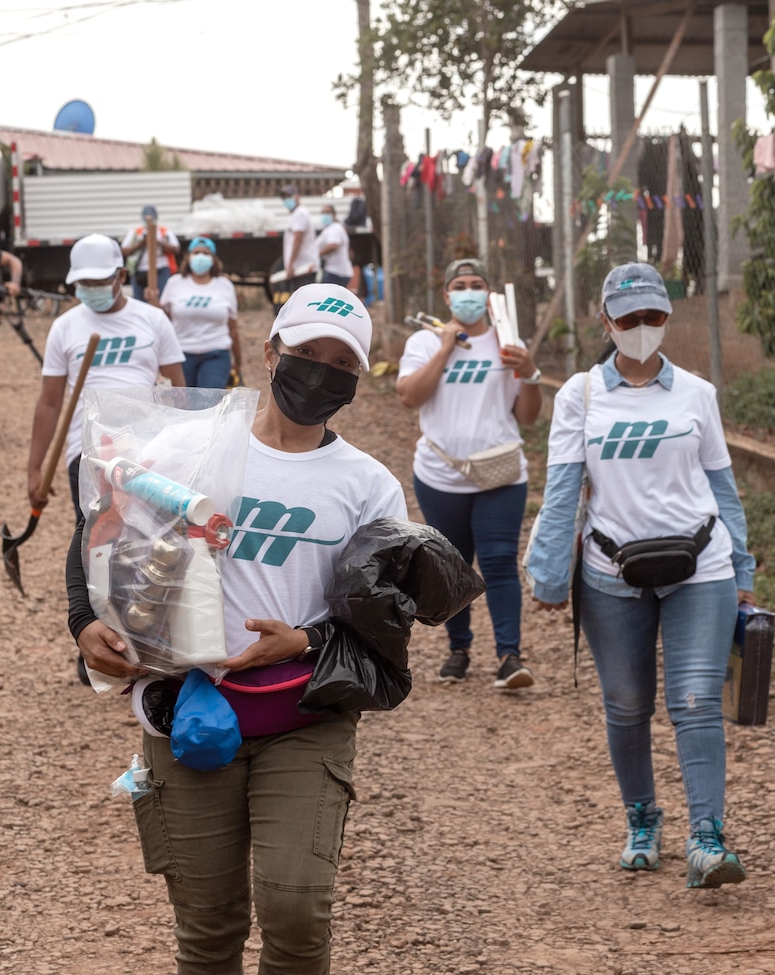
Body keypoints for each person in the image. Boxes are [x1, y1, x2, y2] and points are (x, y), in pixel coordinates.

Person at [68, 282, 408, 974]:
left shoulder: (368, 485)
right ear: (268, 350)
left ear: (357, 380)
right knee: (208, 927)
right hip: (185, 709)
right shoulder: (184, 446)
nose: (320, 370)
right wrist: (84, 622)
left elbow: (384, 620)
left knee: (296, 908)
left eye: (340, 361)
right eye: (306, 351)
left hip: (305, 712)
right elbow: (98, 525)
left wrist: (305, 641)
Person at [526, 262, 755, 889]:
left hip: (700, 567)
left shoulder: (697, 395)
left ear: (667, 317)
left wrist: (742, 569)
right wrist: (547, 574)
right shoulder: (580, 394)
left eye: (653, 316)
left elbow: (722, 489)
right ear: (607, 322)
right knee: (626, 705)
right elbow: (563, 489)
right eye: (628, 319)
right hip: (610, 571)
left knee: (696, 700)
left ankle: (707, 838)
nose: (642, 329)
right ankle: (642, 820)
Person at [28, 233, 185, 683]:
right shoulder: (66, 326)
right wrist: (34, 467)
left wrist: (181, 448)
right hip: (91, 451)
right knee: (94, 538)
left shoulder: (153, 320)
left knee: (150, 540)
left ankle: (152, 636)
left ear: (120, 276)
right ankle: (92, 636)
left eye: (100, 279)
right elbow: (48, 402)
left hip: (149, 449)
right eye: (83, 282)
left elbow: (177, 385)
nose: (90, 288)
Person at [397, 258, 543, 689]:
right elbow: (409, 395)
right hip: (441, 474)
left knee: (499, 562)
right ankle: (458, 650)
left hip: (501, 474)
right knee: (453, 566)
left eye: (477, 284)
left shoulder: (508, 341)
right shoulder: (424, 342)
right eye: (459, 285)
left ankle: (509, 656)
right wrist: (445, 346)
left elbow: (528, 417)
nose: (468, 292)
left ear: (489, 293)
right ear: (446, 296)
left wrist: (530, 371)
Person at [159, 235, 242, 388]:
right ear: (188, 257)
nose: (200, 257)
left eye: (205, 253)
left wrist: (238, 360)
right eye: (196, 253)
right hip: (181, 354)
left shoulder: (225, 286)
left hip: (216, 353)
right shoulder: (174, 283)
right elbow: (163, 321)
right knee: (184, 403)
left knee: (208, 401)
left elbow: (233, 327)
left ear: (213, 259)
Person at [120, 205, 181, 302]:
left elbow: (176, 249)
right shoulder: (136, 232)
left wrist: (157, 241)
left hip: (160, 270)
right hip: (139, 272)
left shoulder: (164, 231)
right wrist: (140, 244)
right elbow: (124, 251)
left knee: (161, 299)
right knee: (139, 301)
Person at [279, 184, 318, 297]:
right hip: (300, 267)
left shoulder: (300, 213)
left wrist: (290, 264)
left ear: (297, 196)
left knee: (305, 300)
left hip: (304, 267)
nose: (286, 200)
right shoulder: (295, 214)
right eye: (284, 198)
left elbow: (298, 239)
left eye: (288, 196)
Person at [316, 204, 353, 286]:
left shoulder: (334, 228)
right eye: (323, 213)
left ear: (334, 215)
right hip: (333, 271)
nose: (325, 215)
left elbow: (333, 245)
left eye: (328, 212)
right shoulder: (328, 229)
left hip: (337, 272)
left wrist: (317, 254)